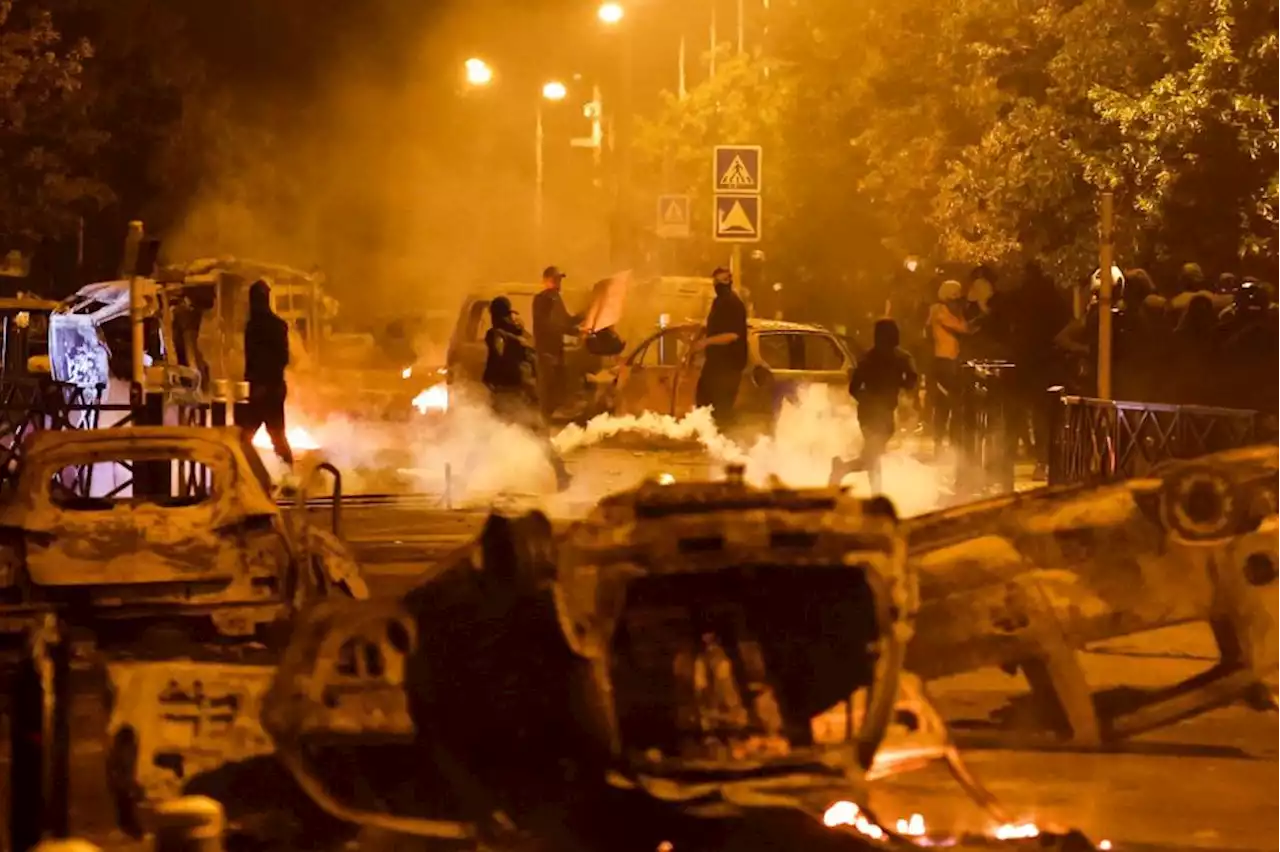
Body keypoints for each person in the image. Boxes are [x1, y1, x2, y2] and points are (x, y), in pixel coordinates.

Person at [483, 296, 572, 492]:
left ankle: (479, 481)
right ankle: (561, 474)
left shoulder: (497, 334)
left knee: (490, 435)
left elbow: (499, 355)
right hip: (527, 393)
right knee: (538, 436)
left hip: (508, 395)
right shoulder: (522, 334)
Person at [829, 318, 918, 492]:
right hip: (875, 414)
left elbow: (854, 388)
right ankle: (872, 490)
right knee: (873, 455)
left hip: (878, 412)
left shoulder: (874, 358)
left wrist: (871, 399)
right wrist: (875, 399)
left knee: (872, 456)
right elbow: (912, 378)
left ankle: (845, 470)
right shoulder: (895, 358)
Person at [237, 280, 294, 467]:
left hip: (261, 389)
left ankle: (243, 477)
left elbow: (253, 360)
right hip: (275, 388)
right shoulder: (278, 325)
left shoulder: (254, 327)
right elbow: (283, 358)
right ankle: (289, 475)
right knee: (277, 435)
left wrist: (257, 386)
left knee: (243, 438)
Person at [693, 266, 748, 428]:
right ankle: (708, 442)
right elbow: (714, 327)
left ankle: (726, 443)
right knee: (703, 404)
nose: (718, 284)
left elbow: (733, 335)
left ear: (730, 281)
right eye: (715, 281)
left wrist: (705, 342)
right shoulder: (718, 302)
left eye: (722, 280)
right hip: (714, 365)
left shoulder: (734, 304)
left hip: (729, 367)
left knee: (721, 411)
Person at [531, 265, 584, 423]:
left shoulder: (556, 299)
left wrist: (583, 316)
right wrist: (574, 331)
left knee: (557, 391)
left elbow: (566, 320)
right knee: (547, 392)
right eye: (555, 279)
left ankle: (554, 421)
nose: (559, 283)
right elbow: (550, 325)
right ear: (546, 281)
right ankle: (543, 425)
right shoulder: (542, 300)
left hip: (556, 352)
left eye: (560, 279)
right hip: (546, 353)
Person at [927, 280, 970, 451]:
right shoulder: (939, 309)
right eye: (956, 295)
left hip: (950, 361)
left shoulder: (944, 310)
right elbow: (961, 327)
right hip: (944, 361)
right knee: (946, 404)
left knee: (950, 403)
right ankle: (942, 441)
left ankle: (948, 441)